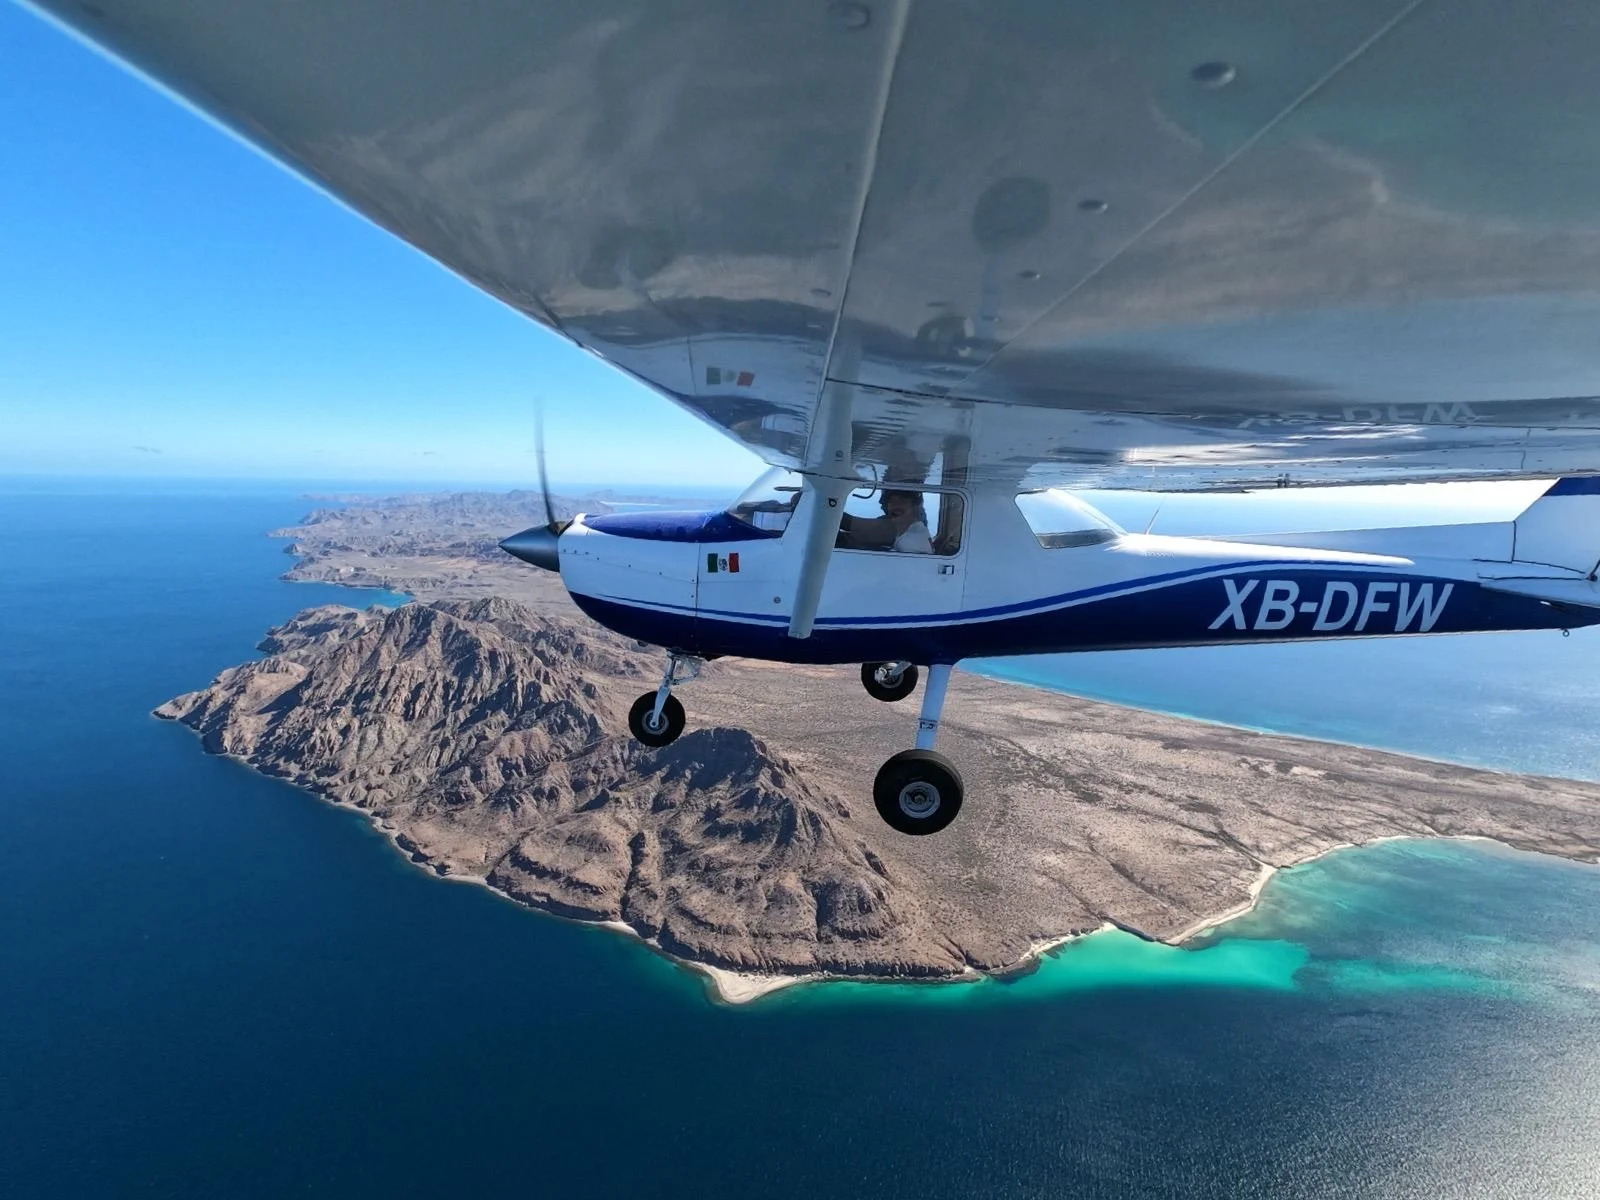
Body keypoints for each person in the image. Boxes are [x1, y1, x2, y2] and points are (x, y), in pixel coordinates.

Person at [879, 489, 934, 553]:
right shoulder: (915, 529)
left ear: (913, 507)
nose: (896, 506)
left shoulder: (911, 542)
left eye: (902, 501)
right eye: (892, 502)